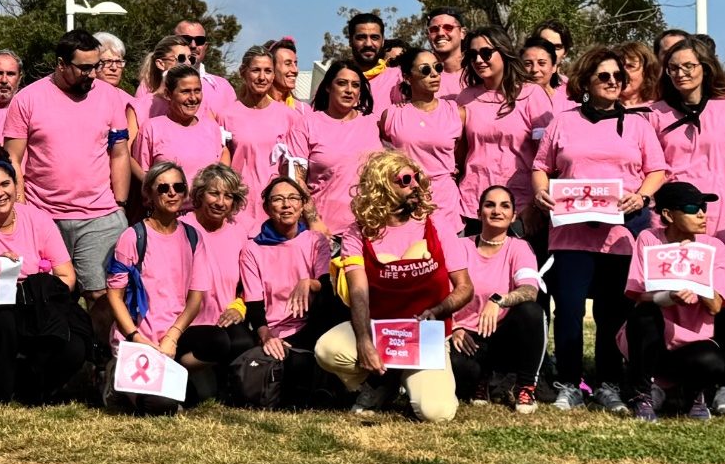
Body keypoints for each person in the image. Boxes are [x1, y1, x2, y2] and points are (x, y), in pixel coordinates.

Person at [532, 47, 669, 412]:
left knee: (612, 312)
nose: (613, 82)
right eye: (604, 76)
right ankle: (570, 382)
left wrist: (641, 196)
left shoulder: (639, 124)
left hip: (619, 236)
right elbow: (540, 165)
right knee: (570, 310)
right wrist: (541, 191)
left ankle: (608, 382)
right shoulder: (563, 121)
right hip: (570, 234)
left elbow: (657, 170)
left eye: (618, 77)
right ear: (586, 81)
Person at [315, 151, 471, 421]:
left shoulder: (436, 224)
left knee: (437, 414)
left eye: (418, 179)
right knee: (327, 350)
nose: (415, 186)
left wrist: (438, 310)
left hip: (426, 337)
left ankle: (400, 379)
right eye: (406, 179)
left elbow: (464, 287)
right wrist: (364, 341)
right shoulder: (358, 232)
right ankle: (379, 385)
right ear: (382, 186)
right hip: (379, 330)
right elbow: (359, 293)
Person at [5, 30, 132, 324]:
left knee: (103, 297)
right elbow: (13, 158)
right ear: (61, 64)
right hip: (43, 215)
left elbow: (120, 152)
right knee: (47, 297)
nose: (92, 74)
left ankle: (100, 364)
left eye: (96, 66)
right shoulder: (27, 99)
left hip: (99, 216)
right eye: (84, 67)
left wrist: (120, 203)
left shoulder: (110, 97)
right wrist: (23, 210)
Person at [0, 150, 89, 404]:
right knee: (4, 323)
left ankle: (34, 388)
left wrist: (36, 289)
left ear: (15, 185)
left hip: (39, 303)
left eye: (5, 184)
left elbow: (67, 276)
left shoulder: (38, 219)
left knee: (75, 344)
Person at [621, 182, 725, 422]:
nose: (702, 213)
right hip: (651, 339)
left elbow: (715, 306)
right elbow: (639, 293)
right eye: (692, 208)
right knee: (645, 314)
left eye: (703, 207)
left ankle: (692, 395)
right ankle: (643, 394)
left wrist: (694, 274)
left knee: (713, 362)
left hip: (691, 345)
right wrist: (669, 297)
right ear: (668, 215)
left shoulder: (715, 247)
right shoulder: (648, 239)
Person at [105, 161, 211, 412]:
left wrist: (173, 337)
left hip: (173, 336)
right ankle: (114, 377)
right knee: (158, 407)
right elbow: (115, 296)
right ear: (148, 195)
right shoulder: (132, 237)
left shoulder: (193, 237)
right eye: (163, 188)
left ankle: (175, 376)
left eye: (178, 186)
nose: (172, 193)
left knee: (218, 341)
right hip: (138, 338)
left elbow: (195, 299)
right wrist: (136, 337)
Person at [647, 36, 725, 252]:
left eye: (688, 66)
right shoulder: (654, 114)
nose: (680, 73)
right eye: (673, 68)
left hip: (718, 212)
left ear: (705, 67)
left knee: (716, 281)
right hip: (671, 215)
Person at [233, 177, 331, 408]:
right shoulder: (252, 249)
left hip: (310, 324)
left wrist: (309, 283)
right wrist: (266, 336)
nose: (286, 205)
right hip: (273, 328)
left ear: (302, 204)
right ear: (267, 207)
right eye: (278, 199)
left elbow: (327, 285)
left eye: (293, 198)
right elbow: (254, 301)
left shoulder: (316, 241)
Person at [449, 185, 545, 413]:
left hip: (504, 335)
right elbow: (442, 294)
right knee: (462, 371)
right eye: (489, 205)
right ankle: (481, 381)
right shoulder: (459, 247)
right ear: (479, 211)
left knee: (531, 311)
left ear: (513, 215)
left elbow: (530, 291)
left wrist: (497, 300)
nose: (496, 211)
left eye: (505, 206)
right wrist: (453, 328)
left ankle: (526, 386)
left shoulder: (520, 248)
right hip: (468, 336)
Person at [173, 164, 258, 395]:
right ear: (200, 195)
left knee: (245, 343)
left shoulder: (238, 232)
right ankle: (174, 371)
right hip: (186, 321)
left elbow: (248, 282)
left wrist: (240, 306)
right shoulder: (181, 228)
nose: (221, 202)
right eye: (214, 193)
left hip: (224, 318)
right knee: (219, 343)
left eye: (228, 196)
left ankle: (214, 379)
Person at [456, 28, 549, 229]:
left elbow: (546, 156)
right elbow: (460, 153)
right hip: (474, 205)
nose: (479, 60)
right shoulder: (465, 97)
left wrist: (534, 205)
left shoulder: (532, 94)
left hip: (521, 207)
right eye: (472, 55)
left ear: (504, 52)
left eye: (486, 53)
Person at [378, 46, 466, 240]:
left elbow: (460, 156)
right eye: (425, 70)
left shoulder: (456, 113)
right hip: (404, 202)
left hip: (445, 204)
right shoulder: (391, 116)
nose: (434, 74)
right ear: (408, 77)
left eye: (438, 68)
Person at [285, 61, 381, 238]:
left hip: (370, 231)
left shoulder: (374, 123)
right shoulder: (307, 124)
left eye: (355, 85)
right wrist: (313, 220)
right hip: (325, 233)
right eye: (342, 83)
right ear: (328, 87)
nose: (349, 90)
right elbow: (296, 180)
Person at [222, 46, 299, 233]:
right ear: (243, 73)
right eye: (256, 70)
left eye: (268, 71)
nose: (262, 77)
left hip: (277, 211)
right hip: (238, 210)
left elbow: (297, 169)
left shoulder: (290, 117)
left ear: (273, 75)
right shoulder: (226, 116)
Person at [133, 65, 233, 192]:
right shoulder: (151, 128)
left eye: (197, 91)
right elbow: (143, 176)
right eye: (185, 91)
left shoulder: (211, 127)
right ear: (168, 94)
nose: (193, 98)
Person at [174, 19, 238, 116]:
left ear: (205, 46)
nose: (193, 45)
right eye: (186, 40)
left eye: (199, 40)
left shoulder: (223, 87)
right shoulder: (154, 83)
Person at [340, 12, 399, 114]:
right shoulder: (335, 83)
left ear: (383, 41)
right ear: (350, 41)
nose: (368, 44)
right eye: (361, 37)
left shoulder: (399, 78)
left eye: (374, 37)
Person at [133, 35, 196, 125]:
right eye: (181, 58)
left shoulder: (194, 104)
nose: (188, 63)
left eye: (191, 58)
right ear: (160, 64)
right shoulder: (142, 106)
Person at [423, 7, 468, 98]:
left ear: (462, 33)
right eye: (434, 29)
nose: (440, 33)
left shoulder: (479, 73)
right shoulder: (420, 77)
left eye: (448, 28)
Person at [616, 41, 659, 108]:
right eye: (618, 66)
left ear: (646, 71)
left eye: (630, 66)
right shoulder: (600, 110)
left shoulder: (659, 109)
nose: (622, 72)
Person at [268, 37, 301, 106]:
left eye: (295, 63)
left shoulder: (303, 111)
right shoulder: (253, 106)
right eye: (288, 64)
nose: (295, 70)